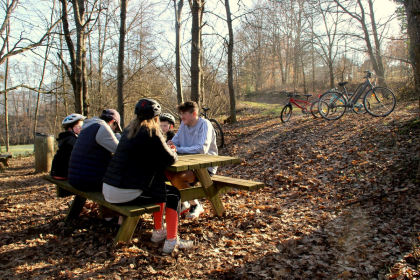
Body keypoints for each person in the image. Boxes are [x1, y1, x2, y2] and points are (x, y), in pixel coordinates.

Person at [102, 98, 193, 254]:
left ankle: (158, 232)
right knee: (173, 194)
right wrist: (173, 150)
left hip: (109, 187)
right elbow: (170, 158)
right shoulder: (152, 131)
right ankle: (171, 241)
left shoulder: (129, 130)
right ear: (156, 118)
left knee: (159, 187)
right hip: (123, 192)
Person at [166, 101, 218, 219]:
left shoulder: (205, 124)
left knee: (177, 178)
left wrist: (178, 149)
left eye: (184, 114)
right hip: (188, 165)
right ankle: (185, 203)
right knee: (165, 173)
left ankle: (196, 205)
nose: (181, 117)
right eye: (180, 114)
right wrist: (170, 144)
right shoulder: (184, 125)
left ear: (194, 113)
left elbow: (202, 149)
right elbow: (176, 141)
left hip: (205, 167)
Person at [68, 109, 121, 192]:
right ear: (112, 121)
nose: (114, 131)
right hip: (88, 182)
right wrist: (118, 136)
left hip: (75, 179)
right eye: (116, 128)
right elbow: (120, 151)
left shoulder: (88, 126)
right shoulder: (102, 127)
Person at [50, 113, 86, 179]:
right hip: (62, 173)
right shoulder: (72, 140)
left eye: (82, 126)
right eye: (78, 126)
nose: (81, 128)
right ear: (70, 129)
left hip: (57, 172)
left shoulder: (65, 138)